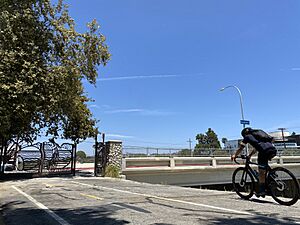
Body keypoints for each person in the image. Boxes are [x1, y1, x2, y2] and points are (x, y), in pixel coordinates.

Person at [231, 127, 277, 197]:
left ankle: (262, 191)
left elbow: (241, 148)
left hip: (264, 152)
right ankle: (270, 177)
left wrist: (235, 155)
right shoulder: (258, 134)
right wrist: (250, 155)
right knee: (264, 166)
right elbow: (257, 147)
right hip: (273, 150)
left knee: (261, 171)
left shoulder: (247, 137)